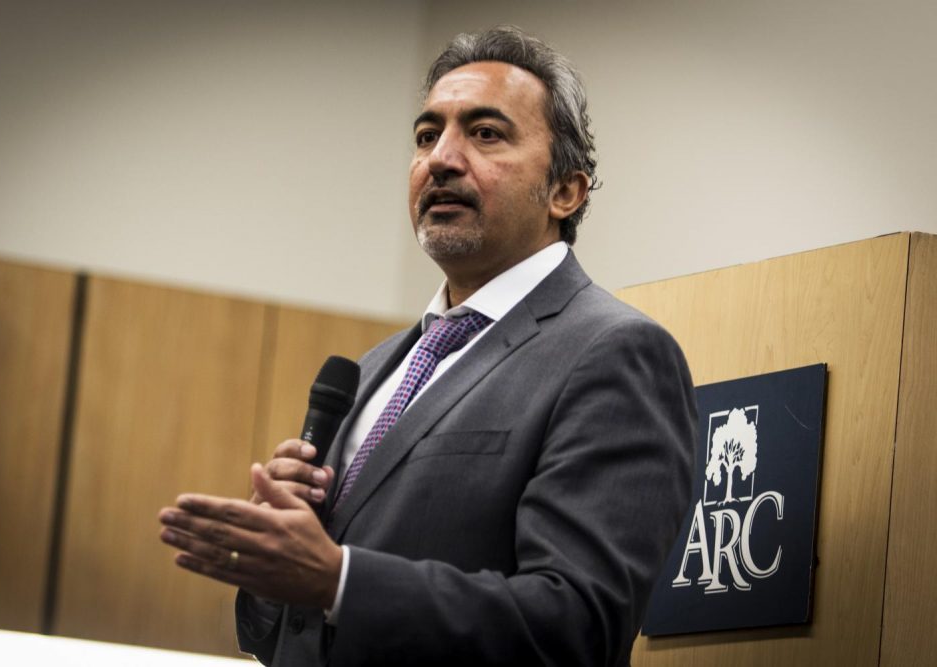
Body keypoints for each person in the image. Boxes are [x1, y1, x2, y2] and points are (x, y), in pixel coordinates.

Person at [158, 26, 696, 667]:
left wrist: (339, 580)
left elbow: (577, 625)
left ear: (565, 192)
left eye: (486, 133)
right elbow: (284, 635)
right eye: (426, 135)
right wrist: (279, 560)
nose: (441, 158)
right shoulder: (373, 368)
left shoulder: (614, 353)